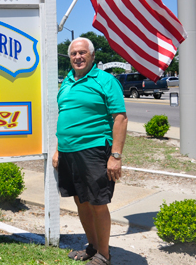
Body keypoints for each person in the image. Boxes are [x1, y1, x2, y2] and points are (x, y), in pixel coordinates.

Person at [53, 38, 127, 265]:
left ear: (92, 56)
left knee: (97, 202)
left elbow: (120, 118)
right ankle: (93, 247)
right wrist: (58, 149)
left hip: (94, 150)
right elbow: (64, 116)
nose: (78, 57)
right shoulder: (66, 82)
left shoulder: (105, 80)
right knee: (81, 201)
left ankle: (104, 255)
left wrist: (115, 156)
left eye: (82, 53)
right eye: (74, 53)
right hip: (68, 152)